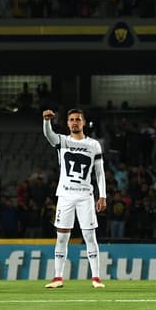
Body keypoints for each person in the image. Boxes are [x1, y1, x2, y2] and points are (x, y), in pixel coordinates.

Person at [41, 107, 107, 288]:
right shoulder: (62, 141)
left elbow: (99, 173)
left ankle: (95, 278)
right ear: (67, 123)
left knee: (89, 236)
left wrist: (102, 196)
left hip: (86, 196)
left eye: (78, 119)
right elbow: (48, 135)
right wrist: (46, 121)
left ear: (84, 122)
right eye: (72, 120)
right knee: (62, 237)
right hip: (65, 195)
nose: (75, 122)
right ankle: (58, 278)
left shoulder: (94, 145)